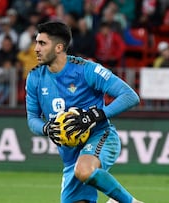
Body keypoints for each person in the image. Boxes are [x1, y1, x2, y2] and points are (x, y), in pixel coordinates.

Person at [26, 21, 142, 203]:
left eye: (42, 43)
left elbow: (130, 96)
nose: (36, 49)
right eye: (36, 42)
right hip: (70, 155)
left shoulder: (86, 69)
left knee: (84, 170)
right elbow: (32, 119)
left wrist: (95, 115)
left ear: (58, 47)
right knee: (80, 172)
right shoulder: (34, 78)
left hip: (100, 136)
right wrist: (47, 128)